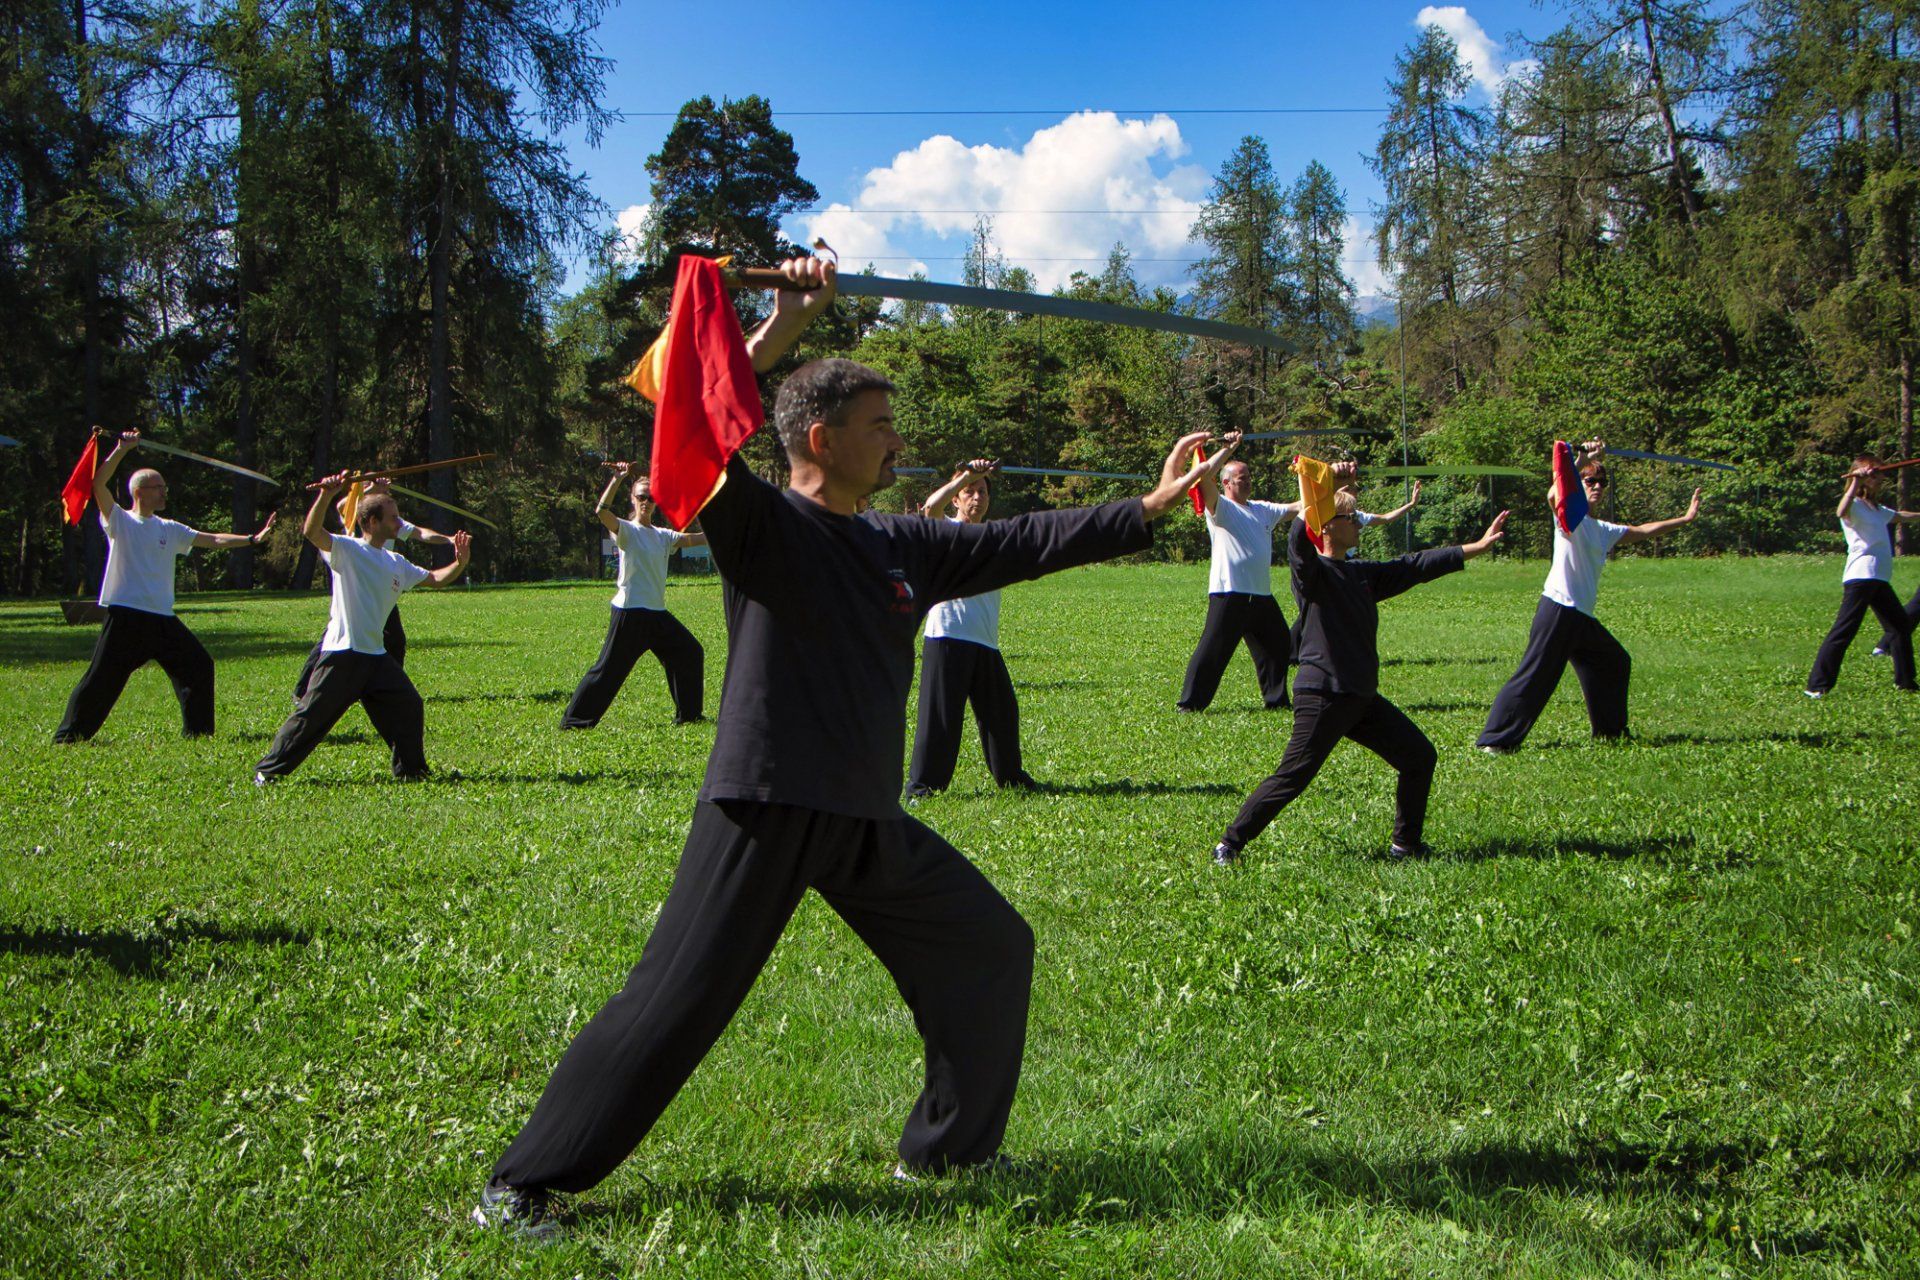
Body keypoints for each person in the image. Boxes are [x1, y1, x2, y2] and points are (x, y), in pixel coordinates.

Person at [475, 254, 1217, 1239]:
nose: (900, 442)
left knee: (990, 945)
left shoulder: (898, 543)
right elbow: (688, 426)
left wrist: (1149, 507)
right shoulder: (762, 523)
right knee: (676, 1001)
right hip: (769, 799)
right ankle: (521, 1184)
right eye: (882, 425)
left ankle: (948, 1150)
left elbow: (1027, 540)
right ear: (820, 438)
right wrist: (780, 320)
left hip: (865, 814)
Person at [1211, 479, 1507, 865]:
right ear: (1329, 525)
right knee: (1293, 776)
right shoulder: (1312, 575)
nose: (1359, 524)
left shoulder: (1363, 574)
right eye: (1352, 517)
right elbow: (1298, 540)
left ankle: (1406, 845)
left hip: (1361, 697)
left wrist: (1475, 548)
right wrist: (1316, 494)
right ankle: (1230, 844)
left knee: (1419, 757)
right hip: (1325, 695)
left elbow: (1415, 566)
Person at [53, 429, 276, 743]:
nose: (164, 494)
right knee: (101, 680)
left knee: (198, 666)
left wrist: (251, 539)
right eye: (159, 488)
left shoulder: (169, 528)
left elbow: (210, 539)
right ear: (140, 491)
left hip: (161, 618)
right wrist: (121, 449)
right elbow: (98, 484)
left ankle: (198, 734)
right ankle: (69, 736)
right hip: (126, 618)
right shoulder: (119, 521)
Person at [1475, 441, 1700, 751]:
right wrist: (1579, 460)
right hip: (1558, 609)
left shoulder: (1603, 529)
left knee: (1613, 661)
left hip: (1580, 617)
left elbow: (1645, 530)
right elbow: (1555, 495)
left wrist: (1684, 520)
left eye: (1601, 482)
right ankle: (1494, 741)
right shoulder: (1571, 519)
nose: (1597, 486)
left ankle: (1610, 734)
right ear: (1579, 484)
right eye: (1590, 480)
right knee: (1535, 675)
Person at [253, 473, 470, 782]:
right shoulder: (347, 551)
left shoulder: (396, 561)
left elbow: (435, 579)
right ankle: (268, 771)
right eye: (392, 517)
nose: (398, 523)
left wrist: (459, 563)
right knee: (311, 718)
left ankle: (412, 772)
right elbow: (312, 531)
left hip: (375, 657)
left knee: (409, 705)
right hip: (343, 654)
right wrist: (326, 495)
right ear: (370, 522)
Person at [904, 459, 1039, 798]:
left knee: (1002, 712)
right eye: (969, 492)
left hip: (985, 642)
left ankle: (1011, 779)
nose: (976, 497)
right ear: (957, 499)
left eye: (981, 491)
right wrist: (965, 475)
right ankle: (922, 787)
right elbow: (930, 506)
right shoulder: (944, 531)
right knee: (941, 720)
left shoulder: (992, 537)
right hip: (947, 636)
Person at [559, 465, 708, 728]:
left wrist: (729, 531)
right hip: (630, 614)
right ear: (633, 499)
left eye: (651, 498)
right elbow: (602, 512)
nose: (646, 502)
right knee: (608, 671)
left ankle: (689, 716)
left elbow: (695, 539)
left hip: (657, 615)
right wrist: (617, 479)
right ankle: (575, 721)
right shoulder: (627, 531)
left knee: (690, 652)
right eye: (641, 497)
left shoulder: (663, 536)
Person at [290, 477, 453, 701]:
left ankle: (387, 685)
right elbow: (340, 508)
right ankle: (304, 691)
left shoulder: (391, 518)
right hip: (355, 573)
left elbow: (421, 534)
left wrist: (449, 540)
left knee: (392, 638)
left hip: (383, 581)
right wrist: (368, 489)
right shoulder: (366, 512)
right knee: (337, 636)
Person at [1177, 433, 1299, 712]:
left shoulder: (1263, 510)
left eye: (1249, 477)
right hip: (1229, 593)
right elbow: (1202, 477)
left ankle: (1276, 700)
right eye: (1241, 478)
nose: (1248, 482)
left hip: (1260, 595)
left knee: (1278, 642)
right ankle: (1190, 704)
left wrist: (1327, 484)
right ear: (1226, 483)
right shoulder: (1221, 509)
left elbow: (1300, 507)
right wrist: (1228, 448)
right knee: (1213, 651)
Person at [1807, 455, 1919, 696]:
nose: (1879, 478)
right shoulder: (1854, 505)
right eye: (1874, 474)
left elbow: (1901, 515)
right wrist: (1856, 483)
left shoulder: (1877, 509)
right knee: (1844, 631)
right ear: (1860, 476)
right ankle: (1817, 686)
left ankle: (1906, 682)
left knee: (1900, 627)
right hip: (1861, 576)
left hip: (1878, 578)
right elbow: (1840, 511)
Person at [1348, 480, 1420, 557]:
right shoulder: (1334, 512)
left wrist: (1411, 504)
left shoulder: (1359, 516)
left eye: (1356, 491)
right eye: (1353, 490)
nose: (1356, 494)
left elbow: (1386, 518)